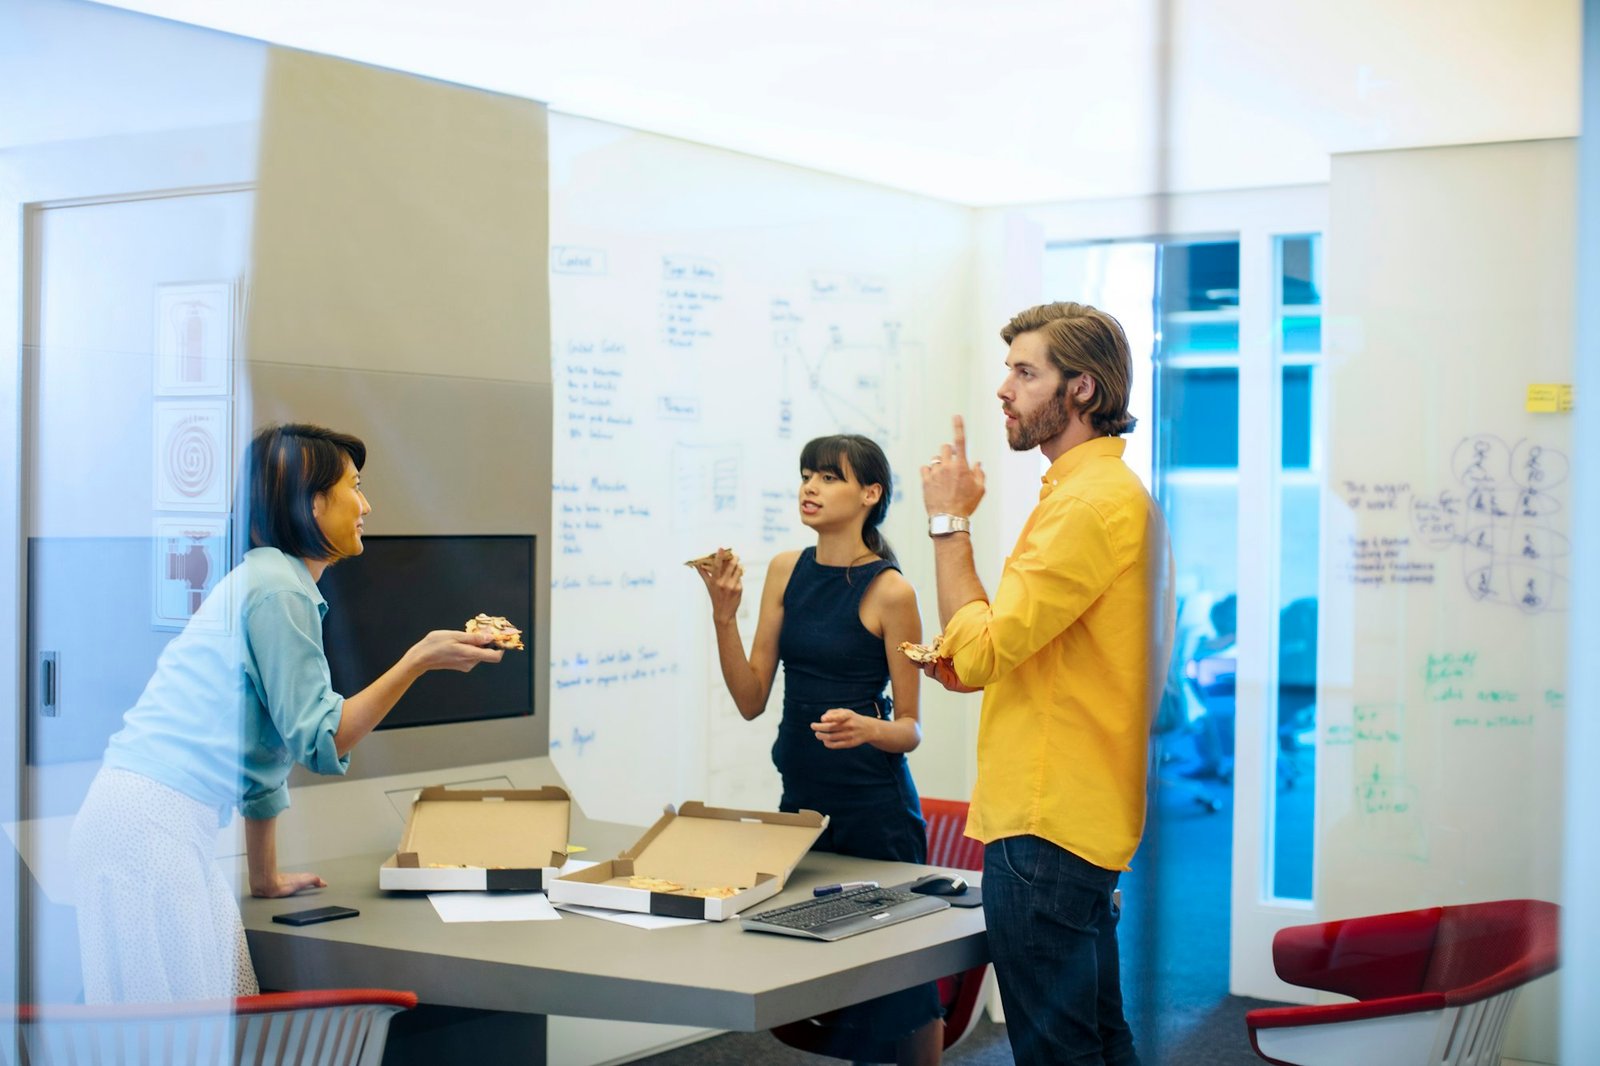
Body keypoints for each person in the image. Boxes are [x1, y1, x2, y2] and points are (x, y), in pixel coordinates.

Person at [70, 423, 505, 1003]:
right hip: (148, 829)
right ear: (311, 502)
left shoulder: (270, 579)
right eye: (355, 486)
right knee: (180, 1037)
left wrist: (265, 878)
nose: (367, 504)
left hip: (145, 822)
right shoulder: (281, 590)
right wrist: (418, 660)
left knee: (214, 1012)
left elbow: (263, 748)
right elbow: (320, 739)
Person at [918, 302, 1173, 1066]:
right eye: (1008, 371)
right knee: (1097, 1039)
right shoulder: (1107, 497)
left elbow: (988, 649)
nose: (1005, 389)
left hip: (1046, 823)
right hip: (1080, 813)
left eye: (1026, 373)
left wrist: (948, 522)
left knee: (1059, 1051)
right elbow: (1024, 656)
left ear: (1082, 391)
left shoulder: (1087, 507)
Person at [691, 433, 943, 1066]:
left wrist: (867, 727)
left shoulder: (892, 592)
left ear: (869, 494)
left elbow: (910, 726)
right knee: (837, 983)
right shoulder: (786, 569)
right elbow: (751, 698)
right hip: (803, 810)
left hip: (875, 815)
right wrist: (724, 616)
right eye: (807, 474)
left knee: (898, 990)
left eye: (829, 477)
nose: (810, 486)